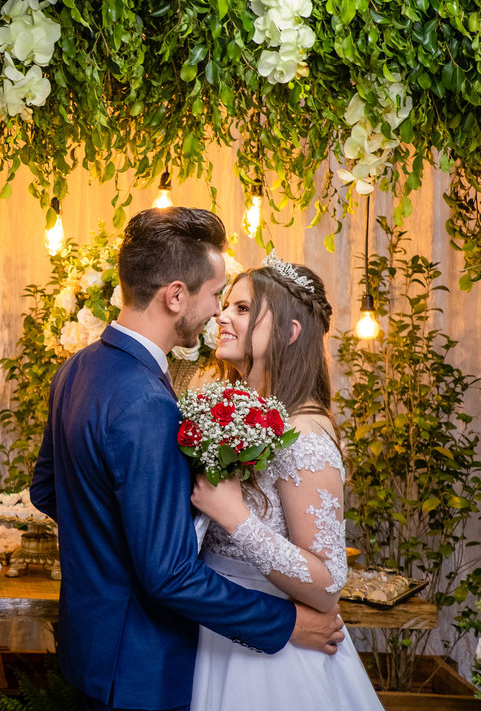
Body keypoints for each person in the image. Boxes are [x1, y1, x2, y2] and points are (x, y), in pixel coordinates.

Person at [29, 208, 344, 711]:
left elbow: (47, 490)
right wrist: (288, 624)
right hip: (140, 663)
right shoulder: (147, 403)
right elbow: (167, 573)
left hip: (97, 650)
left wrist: (122, 543)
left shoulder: (77, 368)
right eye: (218, 295)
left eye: (237, 305)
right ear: (175, 295)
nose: (219, 312)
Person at [189, 254, 382, 710]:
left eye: (242, 309)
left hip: (272, 661)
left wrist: (236, 518)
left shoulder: (307, 436)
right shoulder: (236, 414)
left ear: (289, 333)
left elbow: (328, 581)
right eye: (226, 305)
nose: (223, 317)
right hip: (218, 628)